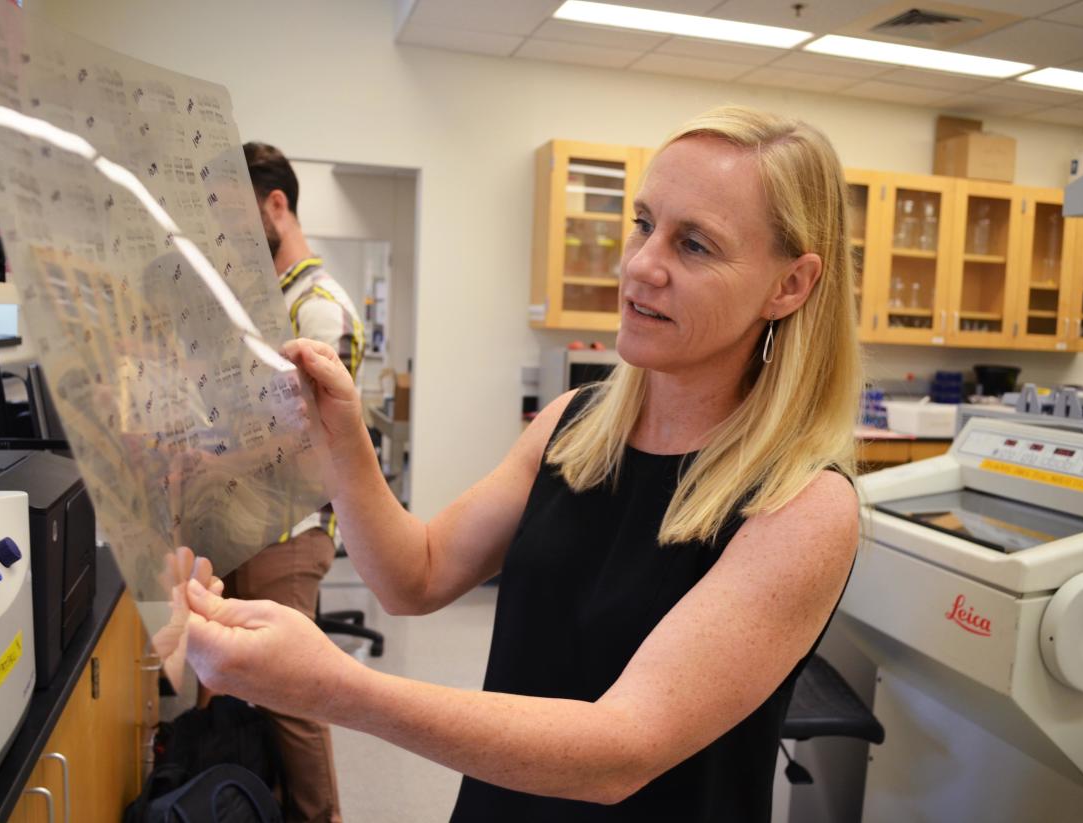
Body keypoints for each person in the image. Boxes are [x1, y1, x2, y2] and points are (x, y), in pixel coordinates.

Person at [184, 105, 862, 822]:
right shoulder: (573, 428)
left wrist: (334, 687)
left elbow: (619, 749)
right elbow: (414, 574)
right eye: (643, 223)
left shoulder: (804, 505)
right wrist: (342, 434)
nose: (640, 263)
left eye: (694, 244)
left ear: (790, 284)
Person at [211, 142, 365, 823]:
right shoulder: (269, 299)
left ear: (277, 204)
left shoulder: (318, 308)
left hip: (290, 529)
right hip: (249, 523)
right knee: (249, 689)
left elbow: (300, 434)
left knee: (293, 698)